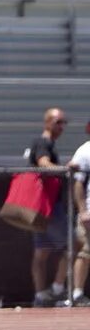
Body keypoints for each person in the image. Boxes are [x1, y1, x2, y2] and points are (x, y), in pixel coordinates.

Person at [29, 108, 71, 307]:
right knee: (73, 244)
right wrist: (66, 169)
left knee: (43, 251)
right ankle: (55, 289)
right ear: (47, 122)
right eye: (57, 122)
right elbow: (43, 163)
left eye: (63, 123)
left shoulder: (50, 144)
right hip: (48, 206)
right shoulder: (43, 142)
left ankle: (42, 295)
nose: (61, 127)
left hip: (45, 206)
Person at [67, 123, 90, 305]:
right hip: (89, 211)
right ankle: (77, 293)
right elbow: (78, 184)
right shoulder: (84, 151)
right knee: (85, 251)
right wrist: (83, 211)